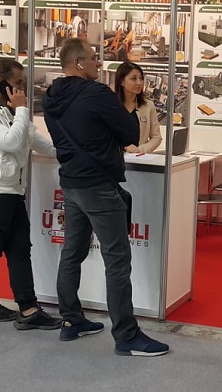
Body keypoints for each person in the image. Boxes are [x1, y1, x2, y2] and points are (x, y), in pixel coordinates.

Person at [42, 38, 169, 356]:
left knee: (72, 253)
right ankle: (127, 336)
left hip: (71, 182)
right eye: (94, 58)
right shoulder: (96, 93)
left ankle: (71, 321)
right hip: (98, 184)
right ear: (78, 63)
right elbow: (130, 132)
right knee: (117, 260)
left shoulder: (52, 96)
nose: (99, 63)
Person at [0, 58, 62, 331]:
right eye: (18, 83)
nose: (21, 88)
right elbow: (10, 142)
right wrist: (21, 110)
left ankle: (28, 309)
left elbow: (35, 141)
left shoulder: (7, 112)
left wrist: (70, 154)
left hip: (11, 191)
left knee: (20, 250)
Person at [114, 61, 162, 154]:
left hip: (138, 158)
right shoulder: (110, 106)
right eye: (134, 79)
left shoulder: (148, 106)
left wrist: (140, 149)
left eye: (141, 78)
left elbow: (156, 137)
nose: (139, 83)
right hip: (114, 158)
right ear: (121, 81)